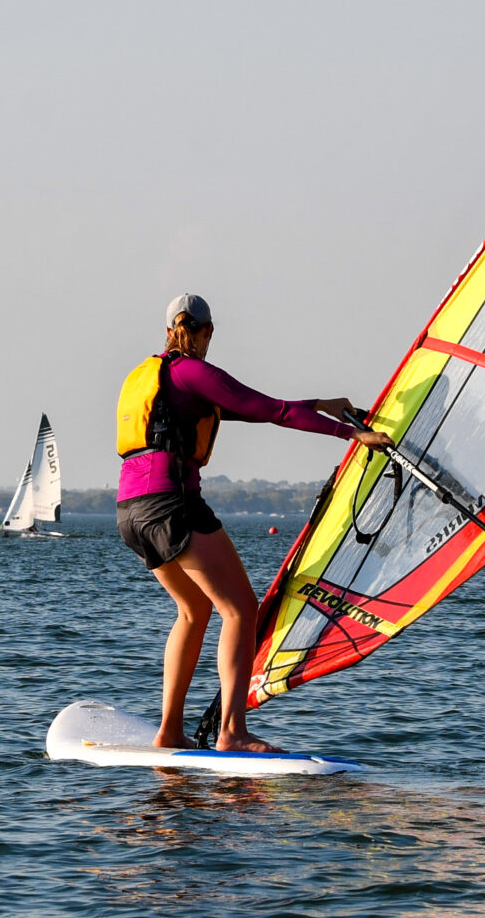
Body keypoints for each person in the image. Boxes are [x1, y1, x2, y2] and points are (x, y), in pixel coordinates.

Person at [116, 293, 391, 752]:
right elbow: (273, 411)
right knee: (241, 609)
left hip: (131, 513)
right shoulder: (195, 372)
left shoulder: (153, 376)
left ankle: (168, 731)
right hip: (173, 503)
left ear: (168, 332)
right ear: (207, 333)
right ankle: (232, 732)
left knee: (194, 610)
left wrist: (320, 403)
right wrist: (353, 433)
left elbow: (253, 408)